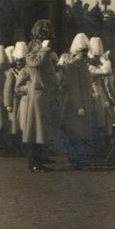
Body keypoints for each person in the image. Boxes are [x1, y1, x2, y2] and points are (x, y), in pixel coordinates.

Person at [18, 19, 59, 172]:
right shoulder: (35, 47)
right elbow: (33, 62)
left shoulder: (42, 48)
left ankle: (40, 157)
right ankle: (33, 162)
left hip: (45, 92)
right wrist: (43, 49)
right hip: (37, 93)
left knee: (42, 128)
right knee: (35, 128)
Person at [59, 33, 94, 169]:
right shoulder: (72, 67)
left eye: (85, 52)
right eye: (81, 52)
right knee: (76, 133)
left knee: (82, 134)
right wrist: (78, 105)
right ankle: (75, 160)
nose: (84, 55)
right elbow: (74, 88)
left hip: (84, 101)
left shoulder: (83, 66)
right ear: (75, 52)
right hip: (75, 104)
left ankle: (79, 160)